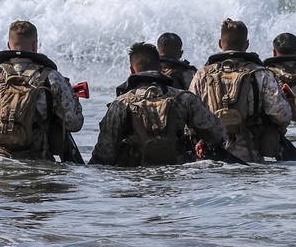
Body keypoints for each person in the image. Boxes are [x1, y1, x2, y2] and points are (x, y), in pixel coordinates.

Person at [0, 20, 84, 161]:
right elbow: (74, 123)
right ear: (35, 45)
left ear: (8, 45)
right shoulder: (52, 78)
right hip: (38, 164)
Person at [90, 42, 227, 166]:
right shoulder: (184, 98)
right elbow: (217, 133)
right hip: (176, 177)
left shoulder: (121, 103)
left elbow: (104, 152)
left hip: (136, 178)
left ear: (132, 70)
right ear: (160, 68)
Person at [189, 19, 294, 163]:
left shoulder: (201, 75)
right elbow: (282, 115)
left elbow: (189, 118)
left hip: (212, 158)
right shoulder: (262, 74)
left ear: (220, 43)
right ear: (246, 44)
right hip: (250, 157)